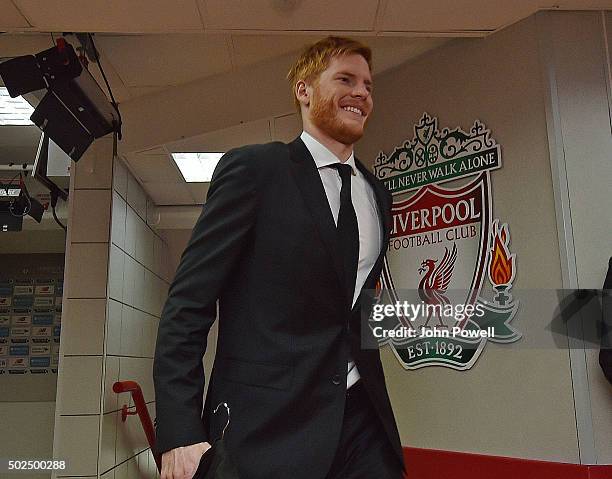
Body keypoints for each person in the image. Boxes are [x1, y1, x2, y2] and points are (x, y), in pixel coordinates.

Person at [153, 36, 406, 479]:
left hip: (361, 420)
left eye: (368, 84)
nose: (362, 92)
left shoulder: (377, 195)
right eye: (345, 79)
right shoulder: (255, 171)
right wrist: (179, 430)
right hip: (265, 428)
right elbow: (188, 304)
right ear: (304, 90)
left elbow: (352, 307)